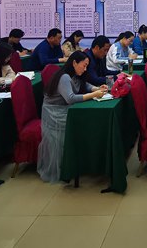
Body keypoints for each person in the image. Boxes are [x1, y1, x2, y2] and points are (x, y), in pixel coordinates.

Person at [37, 50, 107, 183]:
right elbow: (70, 98)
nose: (85, 69)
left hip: (64, 108)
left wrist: (97, 88)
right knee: (82, 122)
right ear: (74, 63)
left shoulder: (74, 74)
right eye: (84, 65)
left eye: (87, 66)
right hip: (54, 112)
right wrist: (94, 95)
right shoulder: (64, 77)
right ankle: (74, 164)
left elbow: (84, 84)